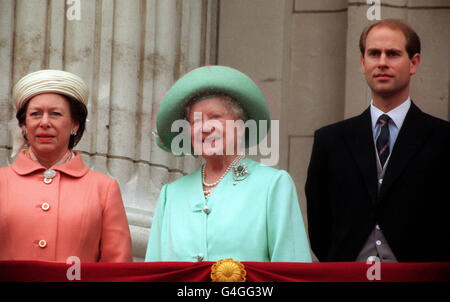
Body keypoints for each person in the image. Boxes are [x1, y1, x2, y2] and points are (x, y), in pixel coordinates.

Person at [305, 19, 450, 262]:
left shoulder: (444, 139)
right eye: (374, 54)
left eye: (392, 54)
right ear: (363, 63)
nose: (382, 62)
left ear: (414, 63)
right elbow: (320, 225)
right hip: (346, 278)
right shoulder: (329, 141)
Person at [145, 65, 311, 262]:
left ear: (240, 127)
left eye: (215, 117)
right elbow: (153, 272)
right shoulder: (170, 195)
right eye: (195, 122)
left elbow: (291, 268)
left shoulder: (273, 186)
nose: (205, 128)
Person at [0, 69, 132, 262]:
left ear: (75, 124)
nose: (44, 122)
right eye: (36, 114)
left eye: (55, 114)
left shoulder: (103, 189)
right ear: (23, 125)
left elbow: (117, 269)